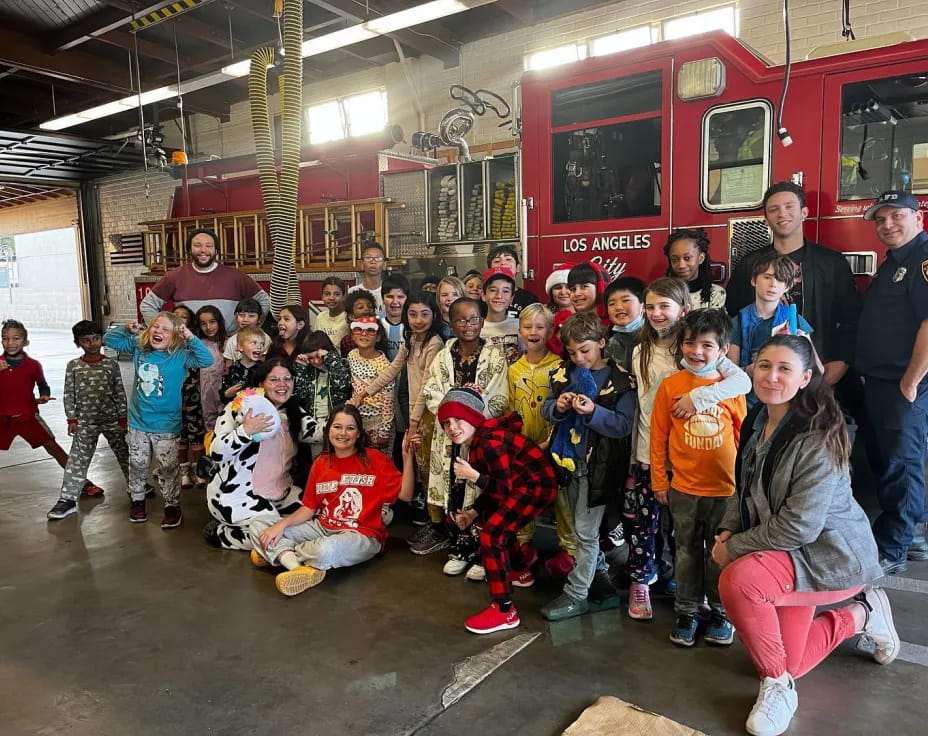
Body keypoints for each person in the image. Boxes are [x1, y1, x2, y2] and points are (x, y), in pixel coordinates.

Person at [714, 335, 898, 736]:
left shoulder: (817, 436)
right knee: (789, 659)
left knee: (740, 581)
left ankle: (778, 688)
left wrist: (735, 548)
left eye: (784, 369)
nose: (771, 376)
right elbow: (742, 488)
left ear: (805, 378)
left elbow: (800, 525)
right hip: (786, 552)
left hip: (827, 555)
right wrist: (729, 527)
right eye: (764, 366)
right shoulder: (758, 420)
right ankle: (864, 614)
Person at [630, 279, 750, 620]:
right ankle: (677, 599)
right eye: (650, 306)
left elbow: (742, 396)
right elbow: (653, 423)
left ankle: (715, 607)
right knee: (670, 539)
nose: (696, 351)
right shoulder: (646, 355)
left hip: (719, 481)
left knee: (712, 547)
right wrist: (657, 476)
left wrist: (699, 396)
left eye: (664, 306)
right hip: (667, 468)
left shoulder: (718, 371)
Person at [650, 309, 747, 647]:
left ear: (723, 350)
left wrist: (743, 488)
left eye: (707, 345)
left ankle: (721, 611)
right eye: (689, 343)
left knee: (720, 552)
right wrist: (660, 481)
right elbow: (658, 435)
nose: (696, 351)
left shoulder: (729, 388)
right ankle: (687, 610)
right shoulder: (671, 386)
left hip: (726, 490)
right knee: (687, 550)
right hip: (684, 489)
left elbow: (742, 437)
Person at [248, 404, 415, 597]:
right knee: (259, 524)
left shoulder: (374, 460)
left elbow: (405, 495)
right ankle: (297, 568)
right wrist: (280, 526)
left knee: (324, 549)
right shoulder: (320, 463)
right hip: (322, 527)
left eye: (350, 428)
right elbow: (309, 508)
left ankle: (277, 554)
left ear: (359, 434)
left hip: (361, 535)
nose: (343, 433)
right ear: (328, 430)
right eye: (337, 427)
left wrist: (407, 458)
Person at [437, 386, 558, 634]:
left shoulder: (489, 442)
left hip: (536, 486)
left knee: (491, 535)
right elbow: (497, 491)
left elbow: (503, 489)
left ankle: (504, 611)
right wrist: (472, 513)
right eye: (446, 422)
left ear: (473, 417)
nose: (452, 427)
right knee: (497, 522)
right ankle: (520, 571)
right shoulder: (477, 440)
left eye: (458, 419)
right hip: (526, 484)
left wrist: (474, 476)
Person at [540, 312, 636, 621]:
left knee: (585, 532)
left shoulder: (621, 381)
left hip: (600, 469)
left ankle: (576, 593)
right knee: (582, 529)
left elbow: (623, 425)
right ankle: (600, 576)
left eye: (586, 350)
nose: (579, 358)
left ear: (602, 344)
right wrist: (558, 406)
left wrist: (594, 412)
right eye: (572, 352)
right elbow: (546, 408)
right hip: (568, 465)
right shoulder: (561, 374)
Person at [856, 190, 928, 573]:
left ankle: (893, 547)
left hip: (903, 383)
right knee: (891, 460)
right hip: (884, 381)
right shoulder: (894, 262)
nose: (887, 225)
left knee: (902, 462)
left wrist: (911, 382)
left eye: (896, 216)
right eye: (880, 220)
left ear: (918, 218)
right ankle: (913, 533)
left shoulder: (923, 261)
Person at [725, 182, 859, 388]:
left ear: (804, 212)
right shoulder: (749, 265)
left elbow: (852, 318)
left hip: (819, 373)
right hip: (764, 378)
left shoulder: (832, 263)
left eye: (789, 206)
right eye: (773, 209)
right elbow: (733, 315)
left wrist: (842, 360)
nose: (782, 214)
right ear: (766, 218)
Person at [420, 297, 509, 578]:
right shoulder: (444, 355)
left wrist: (471, 418)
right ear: (451, 322)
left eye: (473, 319)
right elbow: (431, 391)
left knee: (480, 488)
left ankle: (483, 553)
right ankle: (460, 547)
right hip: (449, 433)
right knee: (454, 488)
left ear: (482, 322)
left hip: (480, 436)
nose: (468, 325)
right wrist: (452, 416)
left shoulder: (495, 355)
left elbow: (500, 396)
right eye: (460, 320)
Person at [103, 313, 213, 527]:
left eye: (165, 329)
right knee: (137, 463)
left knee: (168, 467)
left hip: (166, 425)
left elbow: (206, 359)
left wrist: (190, 338)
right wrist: (127, 329)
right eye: (155, 326)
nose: (158, 331)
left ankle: (172, 505)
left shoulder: (180, 355)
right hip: (138, 422)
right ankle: (137, 500)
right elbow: (110, 340)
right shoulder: (139, 347)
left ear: (174, 337)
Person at [353, 292, 445, 540]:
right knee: (421, 465)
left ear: (433, 315)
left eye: (424, 314)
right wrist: (365, 392)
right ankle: (432, 518)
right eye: (412, 314)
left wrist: (413, 424)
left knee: (430, 469)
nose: (418, 320)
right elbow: (394, 368)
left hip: (429, 414)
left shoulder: (434, 342)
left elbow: (427, 387)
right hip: (418, 413)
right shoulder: (412, 338)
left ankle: (438, 524)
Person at [204, 359, 317, 550]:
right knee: (269, 533)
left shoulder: (293, 409)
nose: (282, 384)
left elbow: (315, 432)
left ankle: (274, 540)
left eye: (287, 379)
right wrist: (245, 431)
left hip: (281, 491)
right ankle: (223, 534)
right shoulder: (237, 408)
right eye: (274, 379)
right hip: (238, 494)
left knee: (313, 518)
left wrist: (342, 426)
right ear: (260, 384)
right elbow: (217, 452)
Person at [508, 304, 576, 579]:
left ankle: (569, 548)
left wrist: (550, 442)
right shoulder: (513, 369)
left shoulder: (559, 368)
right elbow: (510, 408)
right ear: (519, 331)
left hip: (553, 446)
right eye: (528, 327)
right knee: (524, 493)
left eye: (540, 327)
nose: (533, 332)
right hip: (522, 446)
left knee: (560, 496)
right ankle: (523, 543)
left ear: (550, 331)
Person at [46, 320, 130, 520]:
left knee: (125, 453)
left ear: (101, 340)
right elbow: (69, 393)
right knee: (77, 459)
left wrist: (123, 416)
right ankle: (67, 499)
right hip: (85, 422)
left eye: (96, 339)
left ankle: (138, 486)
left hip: (112, 420)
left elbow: (119, 391)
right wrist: (71, 419)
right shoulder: (73, 366)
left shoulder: (111, 364)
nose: (92, 344)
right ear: (78, 343)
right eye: (86, 340)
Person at [140, 227, 270, 333]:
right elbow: (147, 305)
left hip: (227, 346)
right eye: (197, 245)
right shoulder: (173, 277)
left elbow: (264, 300)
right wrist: (165, 331)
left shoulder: (237, 277)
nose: (203, 250)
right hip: (188, 347)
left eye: (209, 245)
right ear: (189, 250)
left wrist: (249, 330)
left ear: (216, 250)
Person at [729, 254, 814, 407]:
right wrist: (750, 369)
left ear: (788, 286)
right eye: (767, 277)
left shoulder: (795, 321)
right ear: (754, 280)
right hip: (746, 402)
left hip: (786, 401)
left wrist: (802, 345)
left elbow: (815, 368)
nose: (773, 284)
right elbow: (729, 373)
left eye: (780, 279)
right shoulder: (738, 322)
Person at [0, 319, 71, 474]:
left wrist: (44, 395)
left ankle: (82, 482)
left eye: (16, 338)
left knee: (53, 447)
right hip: (2, 418)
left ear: (25, 342)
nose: (10, 343)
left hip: (28, 417)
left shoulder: (33, 365)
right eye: (5, 338)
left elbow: (42, 384)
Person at [346, 315, 395, 450]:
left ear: (378, 337)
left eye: (370, 330)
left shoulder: (384, 366)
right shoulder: (352, 355)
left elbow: (388, 401)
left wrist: (384, 432)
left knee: (378, 463)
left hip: (378, 423)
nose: (364, 334)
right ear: (352, 335)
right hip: (357, 420)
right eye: (358, 329)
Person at [663, 228, 726, 309]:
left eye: (687, 258)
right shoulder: (664, 293)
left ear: (701, 258)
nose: (681, 265)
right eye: (675, 259)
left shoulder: (716, 293)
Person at [194, 305, 228, 432]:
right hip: (205, 397)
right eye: (203, 324)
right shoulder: (198, 345)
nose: (208, 327)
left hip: (226, 395)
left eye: (212, 322)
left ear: (219, 322)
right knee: (210, 432)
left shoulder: (229, 343)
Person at [480, 267, 522, 363]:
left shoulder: (521, 326)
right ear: (483, 295)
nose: (499, 296)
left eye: (506, 291)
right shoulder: (475, 328)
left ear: (511, 298)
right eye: (493, 290)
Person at [604, 276, 646, 372]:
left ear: (643, 305)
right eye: (611, 303)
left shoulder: (655, 337)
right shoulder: (612, 342)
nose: (618, 307)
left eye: (625, 300)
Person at [486, 244, 539, 318]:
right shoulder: (486, 298)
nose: (503, 263)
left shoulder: (529, 299)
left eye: (508, 259)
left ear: (518, 267)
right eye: (497, 261)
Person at [220, 326, 266, 406]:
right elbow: (222, 397)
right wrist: (227, 394)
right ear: (240, 347)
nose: (259, 347)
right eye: (254, 343)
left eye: (262, 344)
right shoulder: (231, 369)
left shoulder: (264, 369)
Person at [222, 298, 270, 368]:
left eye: (251, 316)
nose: (245, 320)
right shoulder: (232, 341)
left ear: (259, 319)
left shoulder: (265, 338)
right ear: (236, 317)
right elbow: (229, 365)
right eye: (241, 315)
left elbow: (263, 364)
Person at [347, 242, 387, 315]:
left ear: (384, 264)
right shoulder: (351, 292)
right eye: (368, 258)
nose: (373, 261)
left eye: (378, 258)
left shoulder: (390, 292)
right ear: (361, 264)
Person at [313, 276, 349, 353]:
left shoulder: (349, 317)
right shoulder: (320, 317)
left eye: (337, 294)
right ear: (322, 296)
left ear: (344, 296)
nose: (331, 298)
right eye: (327, 294)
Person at [380, 273, 409, 361]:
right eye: (390, 297)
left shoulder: (412, 326)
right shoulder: (377, 325)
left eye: (400, 297)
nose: (395, 302)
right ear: (382, 298)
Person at [339, 289, 376, 355]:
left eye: (370, 307)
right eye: (361, 307)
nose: (367, 309)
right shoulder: (347, 341)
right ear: (351, 317)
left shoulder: (377, 336)